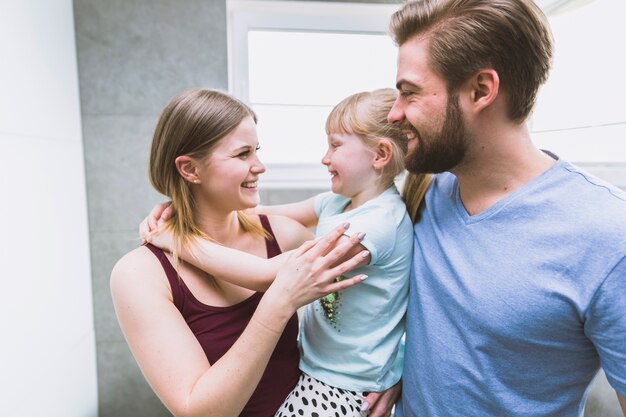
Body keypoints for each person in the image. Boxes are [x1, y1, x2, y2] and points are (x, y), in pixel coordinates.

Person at [386, 1, 626, 416]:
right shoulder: (425, 187)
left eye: (410, 93)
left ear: (481, 90)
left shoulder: (607, 234)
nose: (395, 113)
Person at [142, 88, 431, 416]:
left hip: (343, 383)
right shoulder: (336, 204)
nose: (260, 166)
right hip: (322, 372)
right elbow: (256, 212)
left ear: (380, 155)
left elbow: (270, 276)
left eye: (335, 146)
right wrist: (177, 208)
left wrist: (181, 241)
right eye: (242, 154)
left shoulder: (374, 226)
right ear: (190, 170)